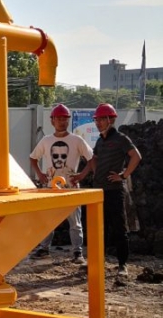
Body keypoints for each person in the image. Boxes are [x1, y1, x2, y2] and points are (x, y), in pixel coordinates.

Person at [71, 103, 141, 279]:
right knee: (99, 230)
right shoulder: (101, 140)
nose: (99, 122)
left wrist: (123, 175)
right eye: (97, 119)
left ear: (111, 119)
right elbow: (93, 158)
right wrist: (82, 175)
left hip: (114, 191)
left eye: (103, 119)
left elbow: (136, 156)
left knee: (119, 229)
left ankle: (122, 265)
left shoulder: (121, 138)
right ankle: (96, 262)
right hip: (98, 191)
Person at [29, 103, 93, 264]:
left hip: (71, 189)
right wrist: (40, 174)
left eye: (65, 118)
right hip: (51, 189)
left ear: (68, 120)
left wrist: (81, 175)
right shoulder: (46, 140)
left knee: (75, 223)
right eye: (58, 118)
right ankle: (44, 249)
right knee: (48, 220)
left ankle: (77, 252)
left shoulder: (77, 140)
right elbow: (33, 158)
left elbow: (91, 159)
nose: (62, 122)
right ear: (52, 121)